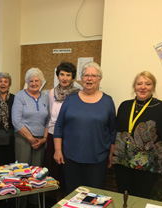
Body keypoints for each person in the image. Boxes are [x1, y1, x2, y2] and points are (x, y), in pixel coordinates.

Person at [54, 62, 116, 195]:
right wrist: (58, 150)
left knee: (93, 197)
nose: (89, 78)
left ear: (99, 79)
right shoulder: (70, 99)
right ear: (81, 79)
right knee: (72, 195)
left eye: (94, 75)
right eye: (86, 75)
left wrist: (111, 154)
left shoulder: (108, 102)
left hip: (97, 160)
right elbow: (59, 126)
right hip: (70, 159)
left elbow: (112, 131)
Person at [113, 71, 162, 198]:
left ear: (153, 87)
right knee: (123, 197)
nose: (143, 87)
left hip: (147, 167)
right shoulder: (125, 106)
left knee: (141, 199)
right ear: (134, 86)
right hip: (122, 164)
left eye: (148, 84)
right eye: (139, 83)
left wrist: (151, 148)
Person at [44, 62, 80, 200]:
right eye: (62, 74)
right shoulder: (52, 92)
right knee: (53, 168)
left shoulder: (77, 93)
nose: (64, 78)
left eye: (68, 75)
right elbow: (49, 115)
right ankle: (54, 198)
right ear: (58, 76)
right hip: (53, 134)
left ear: (73, 77)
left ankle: (68, 197)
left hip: (69, 136)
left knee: (67, 168)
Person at [12, 68, 49, 167]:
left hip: (40, 141)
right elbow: (16, 121)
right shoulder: (20, 96)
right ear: (27, 82)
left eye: (36, 80)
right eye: (31, 81)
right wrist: (32, 139)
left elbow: (48, 120)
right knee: (23, 171)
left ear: (41, 82)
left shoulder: (46, 98)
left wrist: (44, 139)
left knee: (37, 172)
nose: (34, 83)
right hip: (23, 139)